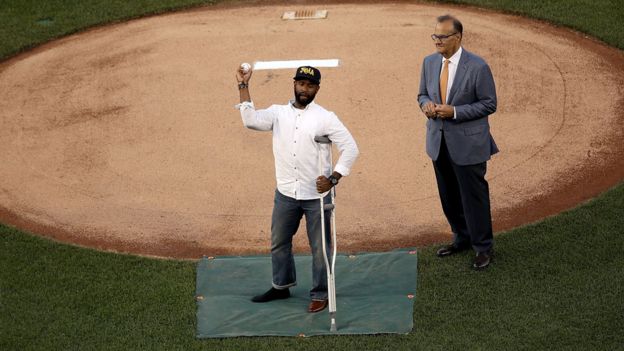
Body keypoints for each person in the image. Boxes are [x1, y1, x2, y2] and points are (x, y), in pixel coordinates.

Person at [235, 65, 359, 312]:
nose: (305, 89)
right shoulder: (278, 113)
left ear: (317, 89)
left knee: (320, 248)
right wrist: (243, 85)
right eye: (301, 84)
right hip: (285, 194)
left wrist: (334, 178)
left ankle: (321, 293)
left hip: (317, 196)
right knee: (279, 242)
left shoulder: (326, 117)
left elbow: (351, 148)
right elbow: (250, 120)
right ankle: (281, 286)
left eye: (310, 85)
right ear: (294, 84)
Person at [417, 15, 498, 270]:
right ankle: (461, 237)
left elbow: (489, 103)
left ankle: (483, 247)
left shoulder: (477, 66)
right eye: (435, 36)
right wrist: (426, 106)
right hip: (438, 141)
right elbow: (421, 94)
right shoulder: (429, 63)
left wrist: (454, 112)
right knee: (449, 196)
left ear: (458, 37)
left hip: (468, 145)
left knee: (474, 197)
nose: (437, 41)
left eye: (443, 37)